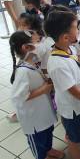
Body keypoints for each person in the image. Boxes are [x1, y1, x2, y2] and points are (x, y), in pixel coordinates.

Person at [44, 11, 80, 158]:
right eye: (76, 28)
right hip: (73, 108)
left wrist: (78, 62)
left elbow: (74, 65)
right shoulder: (57, 64)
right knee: (74, 139)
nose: (79, 32)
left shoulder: (69, 48)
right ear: (64, 36)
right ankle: (78, 153)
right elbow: (73, 91)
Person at [9, 30, 65, 159]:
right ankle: (42, 155)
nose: (42, 44)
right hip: (33, 119)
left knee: (47, 133)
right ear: (26, 47)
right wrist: (43, 90)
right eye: (38, 41)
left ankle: (48, 150)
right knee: (38, 141)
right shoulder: (23, 72)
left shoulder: (33, 63)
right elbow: (17, 97)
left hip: (42, 113)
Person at [53, 0, 80, 75]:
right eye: (71, 14)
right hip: (71, 71)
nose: (75, 16)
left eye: (75, 12)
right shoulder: (56, 34)